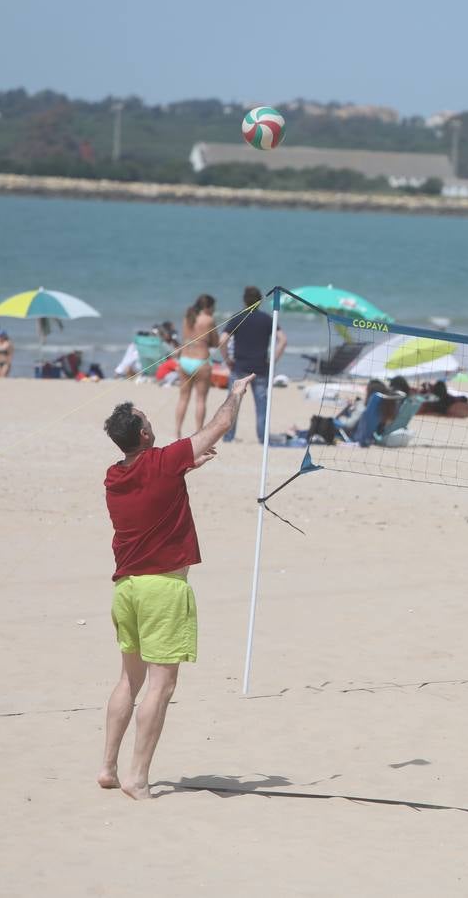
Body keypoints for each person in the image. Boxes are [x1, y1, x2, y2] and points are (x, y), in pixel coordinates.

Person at [98, 373, 256, 800]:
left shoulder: (114, 476)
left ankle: (108, 768)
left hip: (126, 590)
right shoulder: (163, 462)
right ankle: (136, 777)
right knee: (160, 686)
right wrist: (236, 393)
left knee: (128, 681)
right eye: (148, 419)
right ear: (145, 432)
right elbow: (218, 426)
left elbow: (152, 481)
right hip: (162, 590)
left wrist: (185, 466)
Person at [217, 286, 287, 444]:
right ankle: (262, 438)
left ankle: (228, 437)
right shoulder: (267, 319)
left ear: (244, 300)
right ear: (260, 301)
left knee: (233, 404)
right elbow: (283, 340)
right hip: (261, 369)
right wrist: (273, 360)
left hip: (240, 368)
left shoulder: (238, 318)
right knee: (261, 407)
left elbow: (222, 340)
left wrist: (227, 359)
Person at [174, 294, 217, 438]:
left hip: (185, 359)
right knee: (200, 399)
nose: (214, 310)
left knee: (183, 398)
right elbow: (215, 342)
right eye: (213, 307)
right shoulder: (209, 320)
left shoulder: (188, 317)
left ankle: (177, 430)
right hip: (200, 362)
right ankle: (198, 431)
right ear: (208, 307)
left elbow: (184, 338)